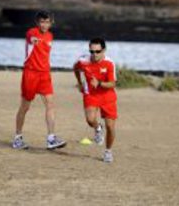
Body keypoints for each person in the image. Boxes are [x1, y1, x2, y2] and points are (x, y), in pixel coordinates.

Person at [12, 10, 66, 149]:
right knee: (25, 107)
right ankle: (18, 138)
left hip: (45, 74)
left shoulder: (50, 35)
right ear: (37, 22)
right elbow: (31, 37)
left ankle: (51, 138)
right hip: (31, 74)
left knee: (50, 104)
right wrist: (33, 40)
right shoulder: (32, 32)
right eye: (42, 22)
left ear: (51, 23)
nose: (44, 25)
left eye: (47, 22)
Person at [73, 37, 117, 162]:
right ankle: (98, 128)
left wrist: (99, 83)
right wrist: (80, 83)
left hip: (107, 95)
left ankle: (108, 151)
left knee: (110, 126)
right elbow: (76, 68)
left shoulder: (109, 63)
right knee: (90, 119)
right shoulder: (83, 60)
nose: (94, 54)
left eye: (97, 52)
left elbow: (113, 84)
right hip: (91, 94)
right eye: (92, 51)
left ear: (104, 50)